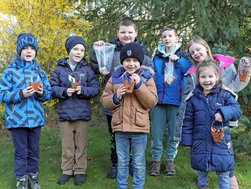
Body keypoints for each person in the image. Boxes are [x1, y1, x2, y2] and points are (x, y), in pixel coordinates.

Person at [175, 36, 251, 189]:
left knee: (223, 159)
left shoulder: (223, 64)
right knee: (203, 163)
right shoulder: (192, 74)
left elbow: (237, 85)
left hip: (221, 120)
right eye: (192, 52)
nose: (196, 53)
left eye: (198, 49)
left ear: (206, 48)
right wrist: (183, 136)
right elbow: (188, 102)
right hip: (201, 124)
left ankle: (230, 180)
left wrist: (244, 70)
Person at [90, 16, 153, 179]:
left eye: (130, 32)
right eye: (123, 32)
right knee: (115, 135)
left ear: (136, 33)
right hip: (115, 101)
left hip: (137, 102)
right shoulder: (109, 48)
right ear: (117, 32)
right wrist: (96, 50)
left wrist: (141, 85)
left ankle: (132, 163)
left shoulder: (143, 51)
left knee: (135, 136)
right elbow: (97, 66)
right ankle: (116, 163)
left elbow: (150, 73)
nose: (126, 35)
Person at [100, 42, 158, 189]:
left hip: (139, 129)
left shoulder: (147, 77)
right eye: (127, 60)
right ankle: (122, 186)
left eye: (134, 60)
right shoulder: (115, 77)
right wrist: (116, 97)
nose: (131, 64)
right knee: (122, 161)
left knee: (138, 161)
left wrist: (139, 86)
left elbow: (151, 102)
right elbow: (104, 101)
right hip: (120, 128)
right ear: (122, 62)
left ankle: (138, 186)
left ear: (140, 62)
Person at [0, 33, 51, 189]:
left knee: (34, 151)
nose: (29, 51)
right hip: (17, 120)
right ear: (19, 50)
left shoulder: (40, 72)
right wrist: (21, 94)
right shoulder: (9, 72)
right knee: (21, 152)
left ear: (36, 51)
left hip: (35, 119)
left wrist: (42, 93)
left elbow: (48, 93)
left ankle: (33, 178)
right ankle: (22, 179)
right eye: (25, 48)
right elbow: (2, 94)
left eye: (32, 48)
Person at [181, 61, 242, 189]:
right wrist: (187, 140)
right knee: (202, 171)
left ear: (217, 77)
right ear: (198, 78)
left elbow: (236, 110)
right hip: (200, 143)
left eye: (210, 77)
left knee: (223, 172)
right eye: (203, 77)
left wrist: (223, 113)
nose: (207, 80)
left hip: (221, 143)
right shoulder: (193, 98)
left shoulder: (225, 95)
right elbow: (188, 121)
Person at [50, 36, 100, 186]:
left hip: (82, 114)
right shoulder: (59, 69)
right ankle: (67, 170)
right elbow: (51, 88)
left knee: (81, 144)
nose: (79, 52)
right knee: (67, 145)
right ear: (69, 50)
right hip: (65, 114)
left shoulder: (87, 70)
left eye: (82, 50)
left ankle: (79, 170)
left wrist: (83, 90)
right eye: (76, 49)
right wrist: (64, 91)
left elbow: (96, 88)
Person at [150, 26, 191, 176]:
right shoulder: (157, 57)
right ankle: (156, 161)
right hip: (158, 102)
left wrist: (178, 60)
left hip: (176, 102)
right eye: (164, 36)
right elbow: (152, 74)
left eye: (170, 36)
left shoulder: (184, 56)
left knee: (174, 133)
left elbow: (190, 69)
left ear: (177, 38)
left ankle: (169, 160)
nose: (167, 38)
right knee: (157, 134)